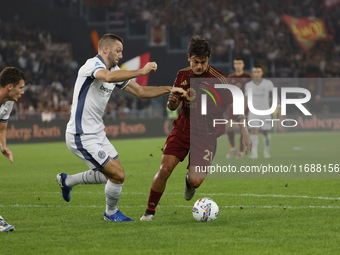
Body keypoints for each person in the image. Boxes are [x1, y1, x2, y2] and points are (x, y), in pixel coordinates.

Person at [55, 33, 186, 222]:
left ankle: (67, 181)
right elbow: (107, 77)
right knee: (118, 175)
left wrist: (169, 89)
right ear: (105, 49)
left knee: (108, 174)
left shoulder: (114, 71)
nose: (121, 55)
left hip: (97, 133)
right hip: (81, 135)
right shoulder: (93, 65)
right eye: (118, 51)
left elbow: (140, 92)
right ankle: (110, 213)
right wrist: (141, 71)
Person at [140, 36, 252, 221]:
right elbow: (172, 107)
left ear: (208, 59)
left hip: (207, 134)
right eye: (195, 62)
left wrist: (245, 132)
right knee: (165, 169)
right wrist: (171, 102)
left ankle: (188, 182)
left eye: (203, 62)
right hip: (183, 128)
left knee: (195, 181)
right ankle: (149, 213)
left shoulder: (219, 80)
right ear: (188, 57)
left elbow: (236, 106)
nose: (199, 66)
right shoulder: (182, 75)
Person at [0, 66, 26, 232]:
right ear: (10, 86)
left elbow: (2, 128)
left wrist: (3, 146)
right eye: (21, 88)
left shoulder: (8, 102)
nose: (22, 92)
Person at [244, 65, 275, 159]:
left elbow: (274, 97)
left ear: (261, 73)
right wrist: (243, 111)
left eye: (258, 72)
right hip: (253, 112)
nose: (256, 74)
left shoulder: (268, 83)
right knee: (253, 132)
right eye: (255, 72)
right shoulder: (248, 85)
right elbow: (246, 99)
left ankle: (266, 152)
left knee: (266, 133)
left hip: (266, 112)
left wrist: (275, 108)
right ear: (252, 74)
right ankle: (254, 153)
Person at [226, 58, 252, 159]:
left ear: (243, 64)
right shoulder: (231, 77)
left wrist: (244, 109)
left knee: (243, 129)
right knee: (229, 127)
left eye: (239, 63)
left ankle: (241, 150)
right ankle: (233, 147)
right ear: (233, 65)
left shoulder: (248, 77)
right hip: (232, 106)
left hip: (244, 106)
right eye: (236, 63)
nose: (238, 65)